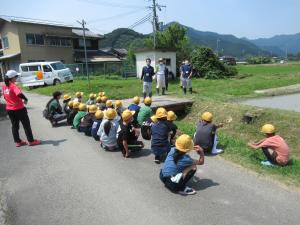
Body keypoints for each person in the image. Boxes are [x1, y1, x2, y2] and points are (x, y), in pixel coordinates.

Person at [1, 70, 41, 147]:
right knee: (26, 125)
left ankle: (18, 141)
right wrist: (26, 99)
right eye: (16, 77)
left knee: (14, 126)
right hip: (19, 109)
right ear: (12, 78)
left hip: (9, 109)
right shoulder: (13, 86)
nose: (17, 78)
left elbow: (5, 97)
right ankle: (31, 141)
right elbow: (19, 94)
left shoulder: (4, 87)